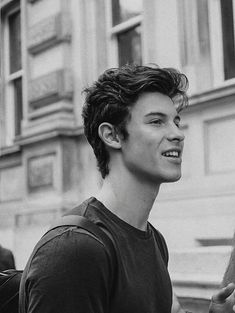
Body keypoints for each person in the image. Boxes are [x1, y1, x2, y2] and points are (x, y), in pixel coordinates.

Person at [19, 64, 235, 313]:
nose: (177, 133)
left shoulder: (154, 240)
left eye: (176, 121)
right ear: (111, 135)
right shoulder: (73, 250)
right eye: (157, 121)